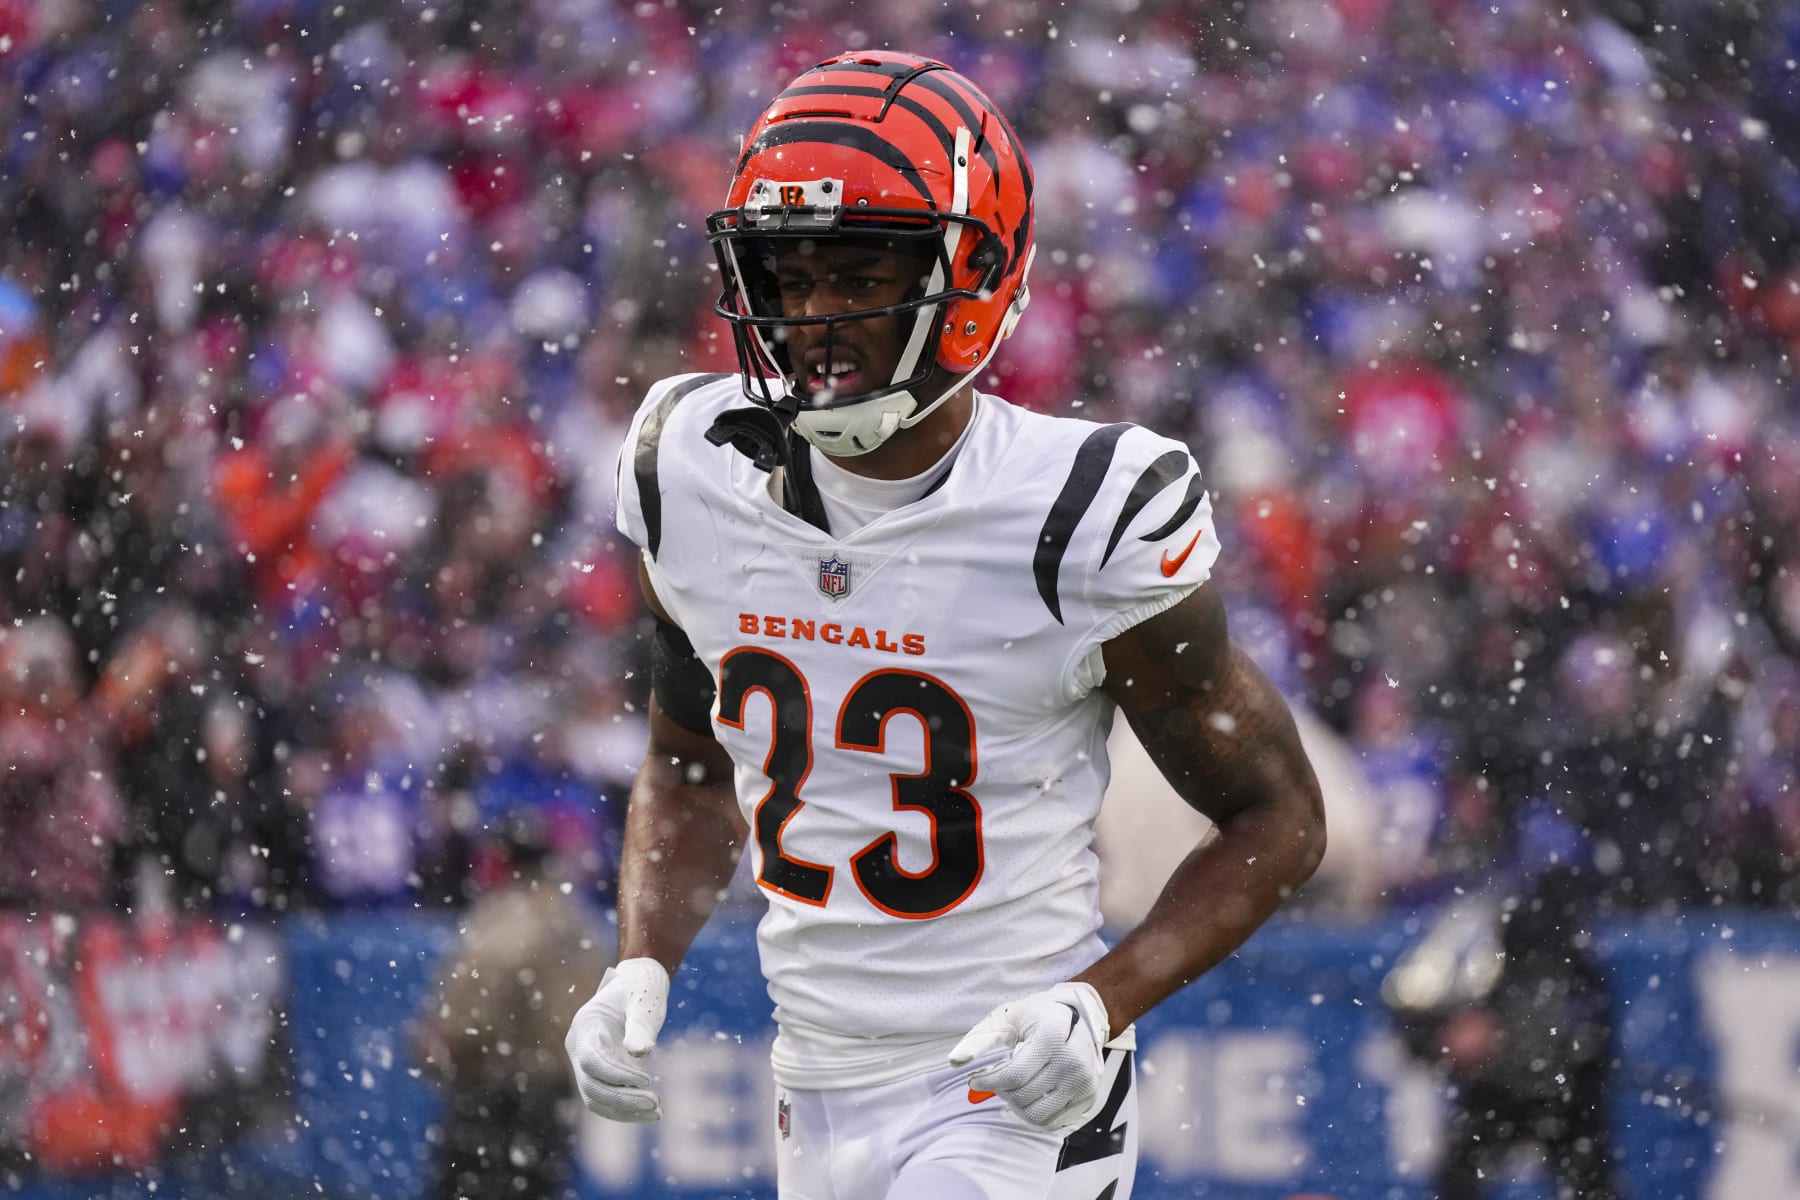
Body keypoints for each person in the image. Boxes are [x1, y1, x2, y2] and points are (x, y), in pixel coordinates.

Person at [565, 50, 1326, 1200]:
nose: (815, 318)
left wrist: (1098, 1000)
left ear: (969, 279)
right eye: (789, 277)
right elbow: (687, 762)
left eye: (858, 274)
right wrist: (640, 963)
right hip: (809, 1082)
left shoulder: (1081, 512)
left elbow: (1279, 817)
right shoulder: (689, 464)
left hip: (1014, 1092)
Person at [415, 808, 608, 1200]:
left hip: (498, 1089)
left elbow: (484, 991)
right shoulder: (574, 918)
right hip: (552, 1088)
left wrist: (448, 1038)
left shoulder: (509, 916)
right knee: (538, 1189)